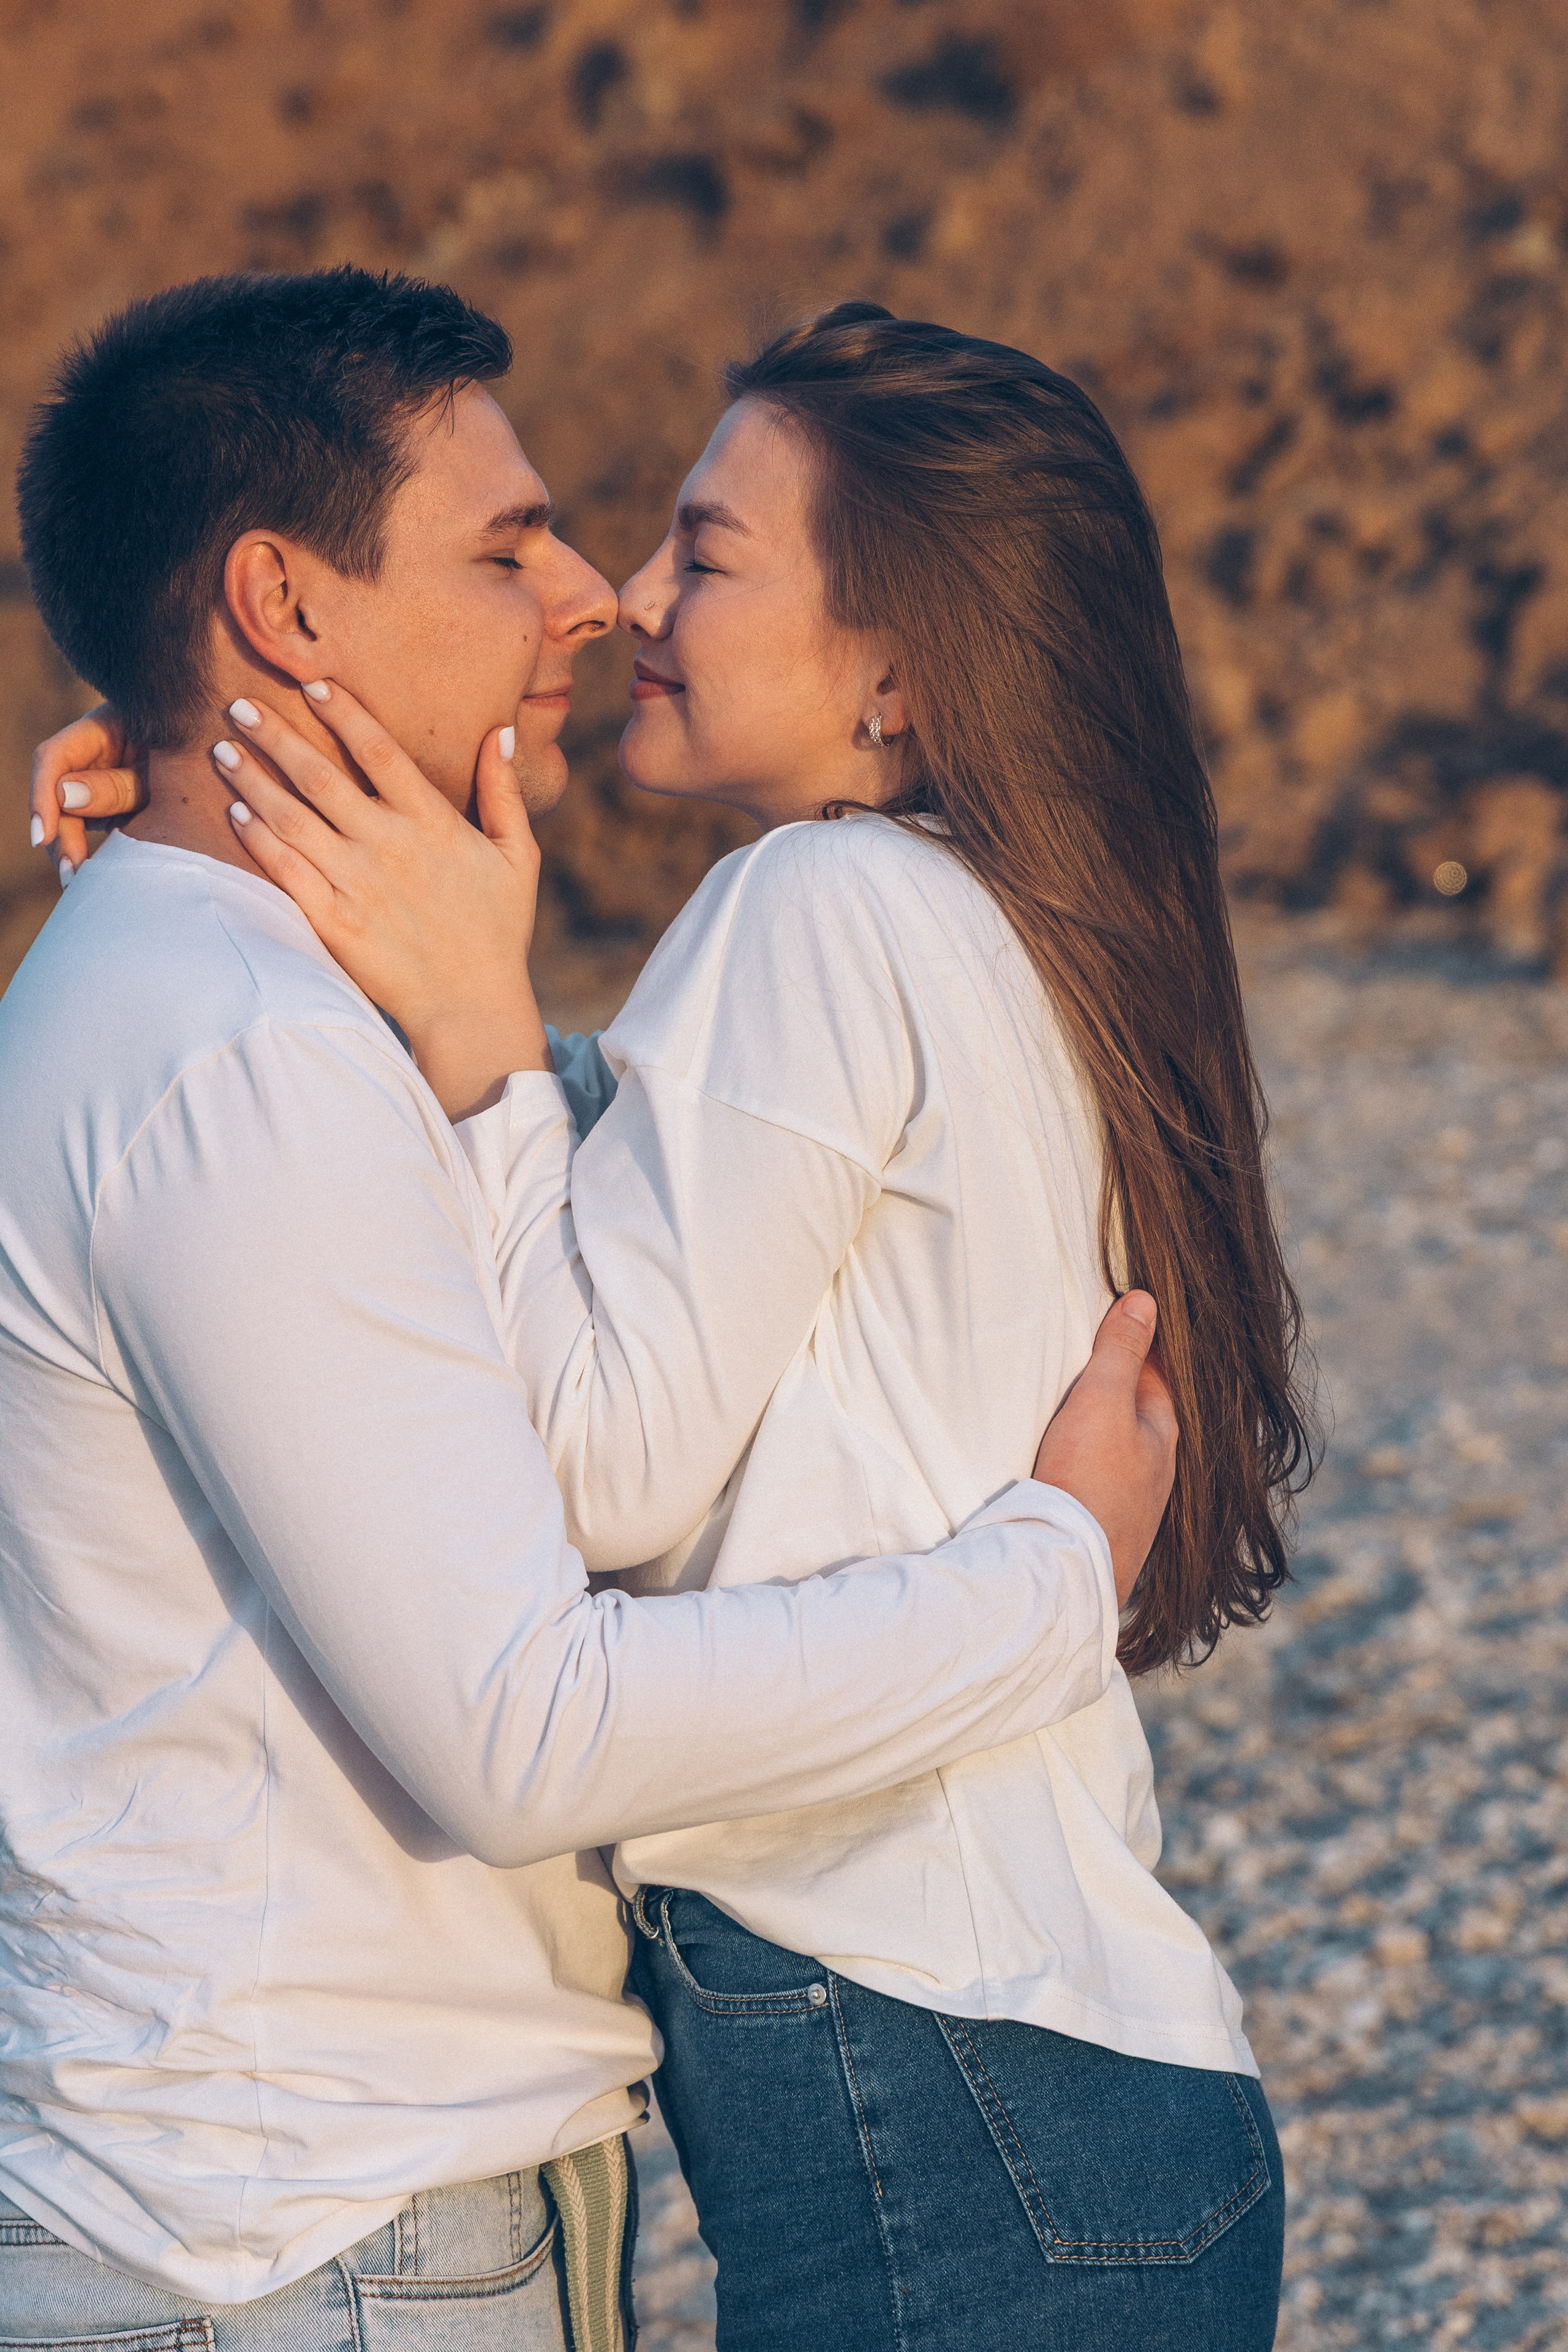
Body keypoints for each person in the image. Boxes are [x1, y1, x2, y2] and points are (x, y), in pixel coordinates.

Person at [105, 303, 1313, 2350]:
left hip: (936, 2092)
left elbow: (593, 1458)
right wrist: (204, 802)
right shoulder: (987, 917)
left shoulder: (815, 914)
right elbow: (670, 1210)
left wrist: (481, 1037)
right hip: (1062, 2101)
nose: (635, 601)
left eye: (709, 553)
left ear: (900, 670)